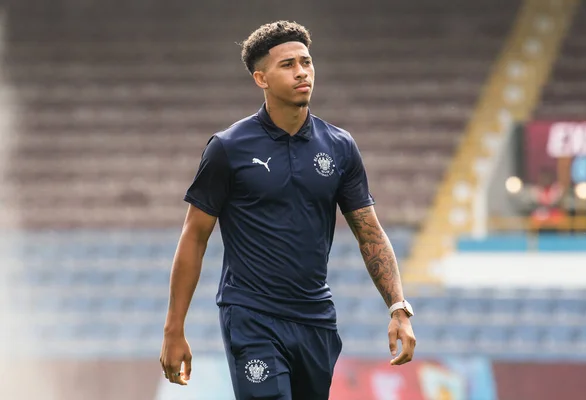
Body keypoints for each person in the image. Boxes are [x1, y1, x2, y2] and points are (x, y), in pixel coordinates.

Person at [159, 20, 416, 399]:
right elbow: (194, 237)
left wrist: (398, 307)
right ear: (260, 79)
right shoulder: (228, 148)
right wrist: (174, 329)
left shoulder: (340, 147)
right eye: (288, 65)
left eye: (306, 62)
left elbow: (369, 232)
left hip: (315, 320)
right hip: (251, 315)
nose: (302, 72)